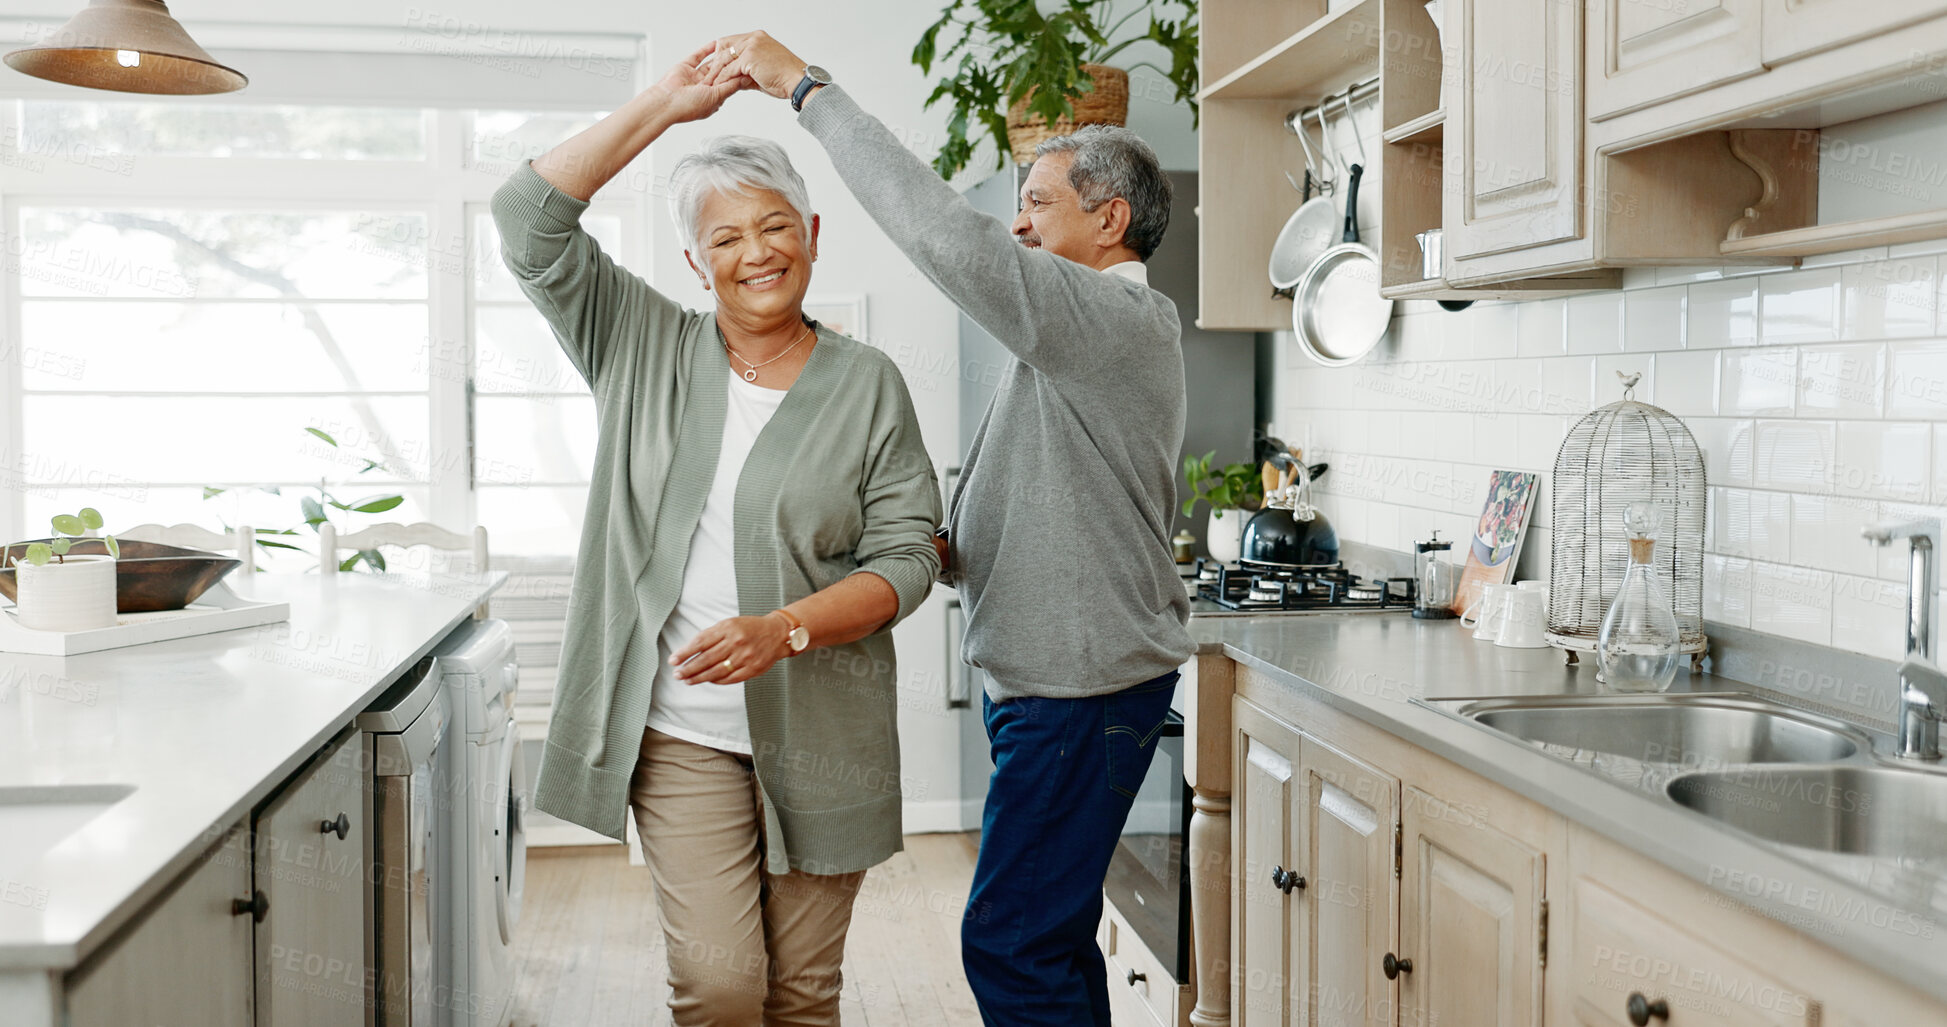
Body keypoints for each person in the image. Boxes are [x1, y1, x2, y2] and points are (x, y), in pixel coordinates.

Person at [702, 33, 1197, 1027]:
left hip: (1078, 685)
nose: (1014, 227)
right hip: (1062, 681)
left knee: (1009, 941)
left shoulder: (1105, 319)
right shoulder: (1082, 336)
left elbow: (941, 231)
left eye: (1037, 204)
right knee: (1047, 936)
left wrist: (806, 87)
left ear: (1108, 220)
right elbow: (1051, 485)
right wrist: (938, 548)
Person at [492, 43, 942, 1026]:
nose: (757, 252)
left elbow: (909, 557)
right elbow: (525, 221)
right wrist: (666, 104)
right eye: (726, 237)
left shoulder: (868, 385)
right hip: (679, 732)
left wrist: (785, 628)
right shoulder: (640, 342)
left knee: (804, 996)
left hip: (828, 731)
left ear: (813, 234)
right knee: (723, 985)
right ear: (697, 263)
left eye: (775, 226)